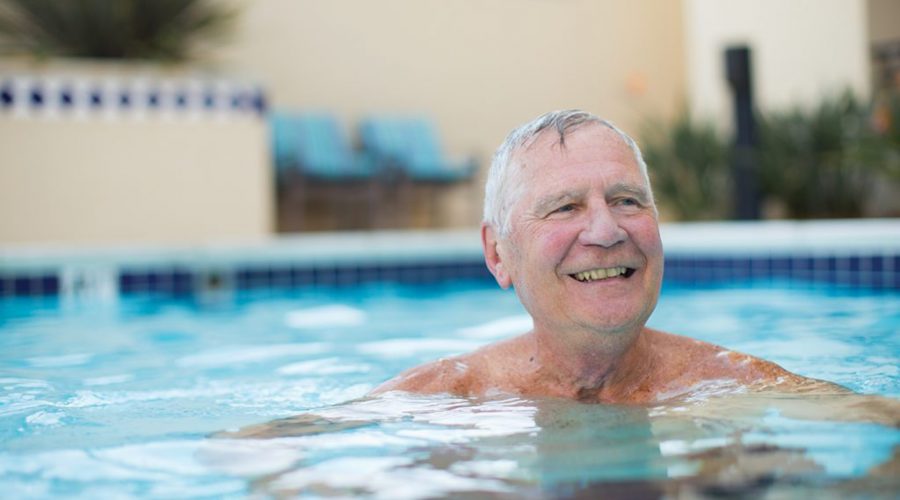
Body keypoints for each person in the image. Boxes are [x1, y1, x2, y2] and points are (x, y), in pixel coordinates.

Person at [371, 109, 838, 404]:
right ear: (498, 254)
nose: (606, 230)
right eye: (565, 207)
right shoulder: (437, 404)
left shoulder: (742, 388)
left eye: (627, 201)